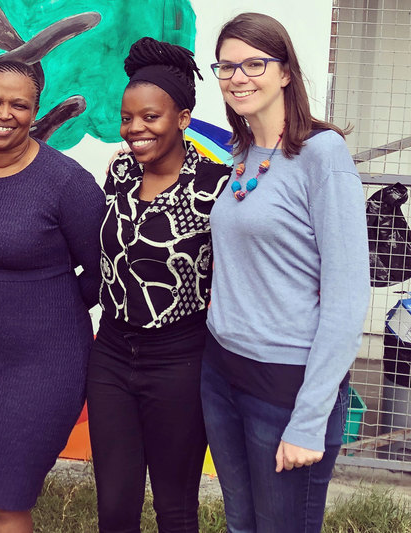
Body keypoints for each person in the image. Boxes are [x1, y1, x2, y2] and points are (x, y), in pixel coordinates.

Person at [201, 12, 370, 533]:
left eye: (255, 63)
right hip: (223, 370)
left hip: (286, 383)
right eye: (227, 67)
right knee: (239, 523)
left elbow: (347, 296)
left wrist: (311, 416)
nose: (239, 77)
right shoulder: (243, 153)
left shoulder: (323, 154)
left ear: (285, 73)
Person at [0, 60, 105, 532]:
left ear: (35, 112)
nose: (3, 113)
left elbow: (100, 270)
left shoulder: (66, 182)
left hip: (39, 364)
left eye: (19, 104)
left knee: (2, 500)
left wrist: (41, 305)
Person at [87, 37, 230, 533]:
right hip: (110, 354)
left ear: (183, 118)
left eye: (151, 117)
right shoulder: (120, 172)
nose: (135, 129)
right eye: (128, 118)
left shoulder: (217, 186)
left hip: (180, 359)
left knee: (175, 509)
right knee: (115, 508)